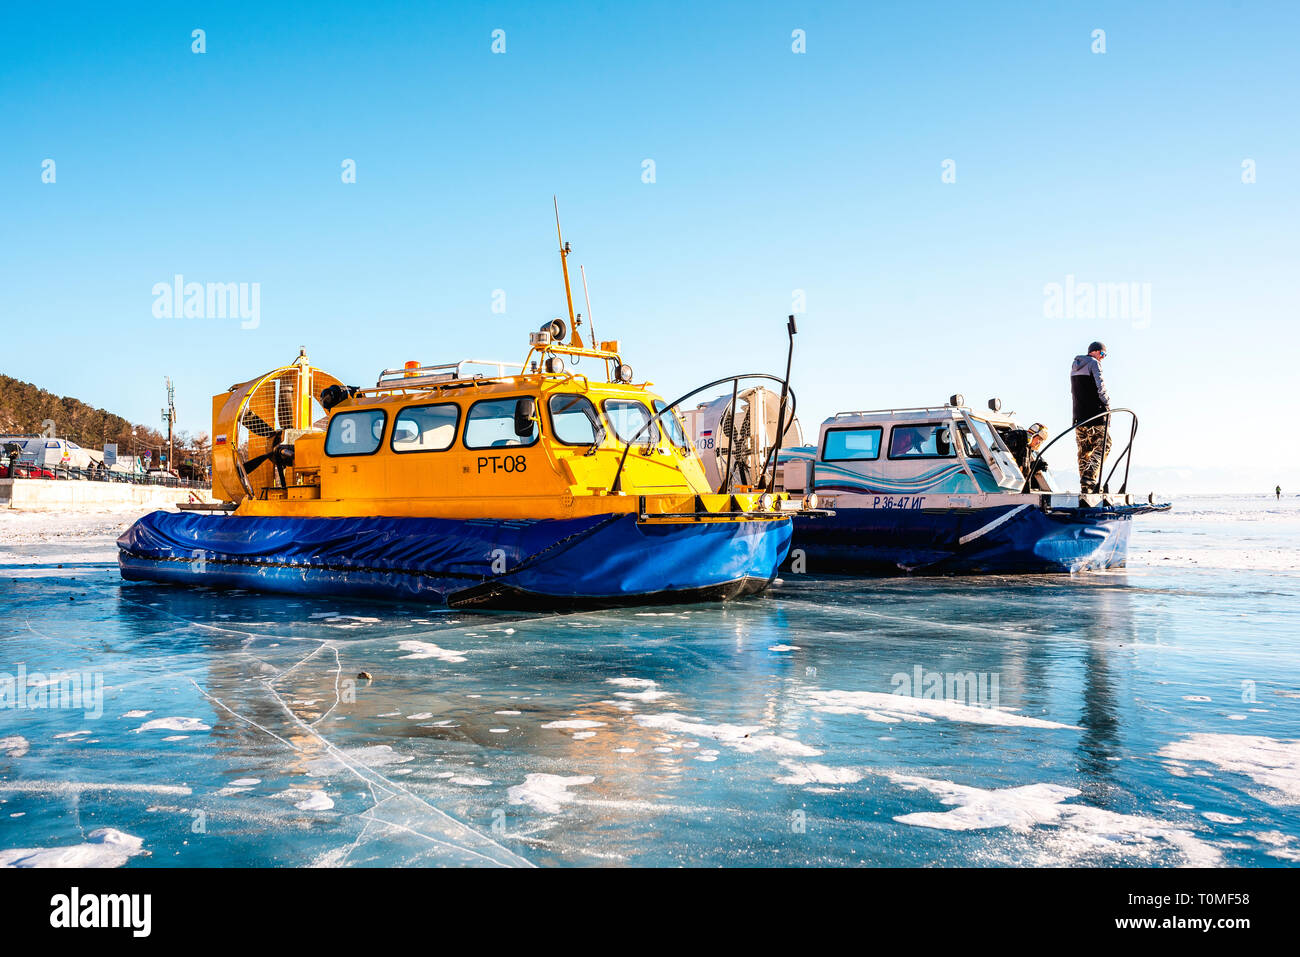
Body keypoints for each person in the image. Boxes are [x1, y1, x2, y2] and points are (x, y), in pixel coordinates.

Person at [1071, 341, 1112, 494]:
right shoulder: (1094, 363)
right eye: (1102, 354)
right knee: (1105, 444)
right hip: (1095, 414)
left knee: (1084, 451)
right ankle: (1090, 474)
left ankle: (1086, 487)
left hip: (1078, 417)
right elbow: (1100, 387)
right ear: (1094, 352)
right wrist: (1107, 404)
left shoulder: (1074, 366)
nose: (1102, 358)